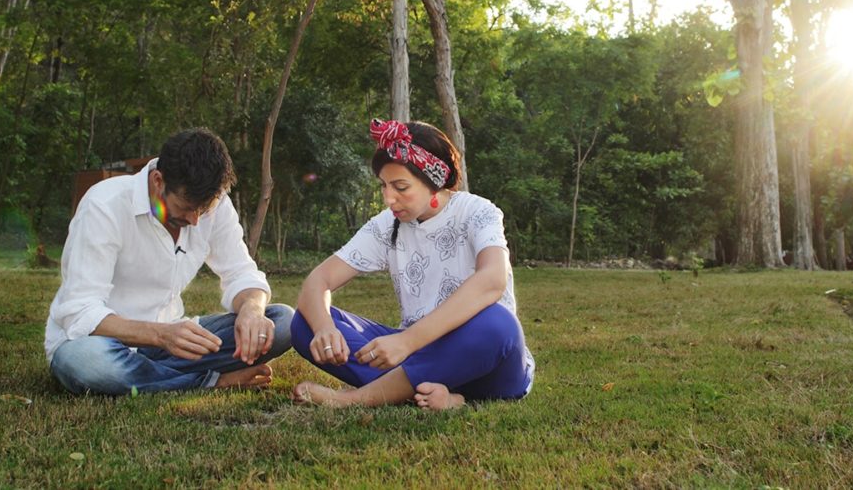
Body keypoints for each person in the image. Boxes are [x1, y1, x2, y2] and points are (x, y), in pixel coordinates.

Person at [290, 119, 534, 410]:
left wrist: (408, 341)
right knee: (306, 321)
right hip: (416, 353)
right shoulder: (386, 226)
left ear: (434, 182)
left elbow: (492, 280)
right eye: (384, 185)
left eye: (401, 186)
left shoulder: (477, 211)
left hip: (485, 359)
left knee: (498, 323)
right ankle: (434, 392)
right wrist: (324, 329)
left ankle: (356, 399)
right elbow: (318, 281)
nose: (388, 198)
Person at [45, 128, 294, 395]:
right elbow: (79, 311)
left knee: (283, 322)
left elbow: (241, 273)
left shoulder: (216, 204)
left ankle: (153, 377)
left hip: (175, 344)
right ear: (158, 181)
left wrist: (252, 311)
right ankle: (210, 381)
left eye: (204, 209)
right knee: (84, 362)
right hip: (104, 344)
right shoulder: (104, 205)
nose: (195, 220)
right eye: (186, 207)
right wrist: (161, 335)